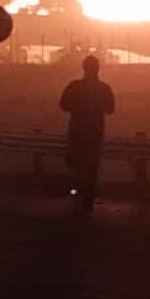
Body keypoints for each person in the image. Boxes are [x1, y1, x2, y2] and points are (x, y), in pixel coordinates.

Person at [59, 55, 115, 213]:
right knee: (91, 166)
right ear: (98, 69)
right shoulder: (104, 89)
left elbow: (63, 105)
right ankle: (88, 197)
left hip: (76, 131)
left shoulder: (74, 86)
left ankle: (78, 191)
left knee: (75, 163)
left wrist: (78, 107)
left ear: (83, 68)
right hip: (95, 132)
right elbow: (111, 109)